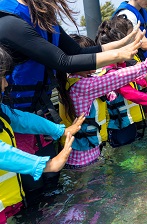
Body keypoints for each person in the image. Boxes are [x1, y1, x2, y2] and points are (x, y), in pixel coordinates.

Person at [0, 0, 143, 201]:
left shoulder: (44, 19)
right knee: (30, 193)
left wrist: (124, 42)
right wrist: (120, 56)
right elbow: (65, 61)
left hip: (39, 115)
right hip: (15, 120)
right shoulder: (10, 24)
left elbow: (77, 50)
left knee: (52, 185)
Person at [0, 46, 85, 224]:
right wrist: (47, 164)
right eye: (2, 77)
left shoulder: (1, 109)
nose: (6, 84)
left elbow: (21, 119)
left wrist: (61, 130)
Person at [57, 34, 147, 167]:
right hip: (82, 159)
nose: (96, 59)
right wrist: (145, 65)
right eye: (91, 56)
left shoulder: (72, 81)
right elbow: (116, 78)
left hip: (82, 152)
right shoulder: (82, 86)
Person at [95, 16, 147, 146]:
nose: (134, 45)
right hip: (120, 128)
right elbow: (132, 94)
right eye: (130, 41)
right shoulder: (111, 73)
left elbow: (142, 80)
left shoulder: (121, 66)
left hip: (129, 123)